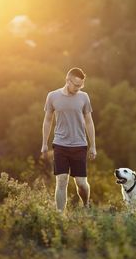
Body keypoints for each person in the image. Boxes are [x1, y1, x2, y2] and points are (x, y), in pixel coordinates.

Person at [41, 67, 97, 212]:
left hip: (79, 144)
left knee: (81, 183)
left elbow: (89, 121)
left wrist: (93, 146)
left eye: (81, 85)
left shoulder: (84, 97)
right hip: (60, 145)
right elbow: (47, 120)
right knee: (61, 181)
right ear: (68, 80)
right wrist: (44, 144)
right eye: (76, 85)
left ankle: (86, 205)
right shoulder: (52, 96)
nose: (79, 88)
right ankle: (60, 216)